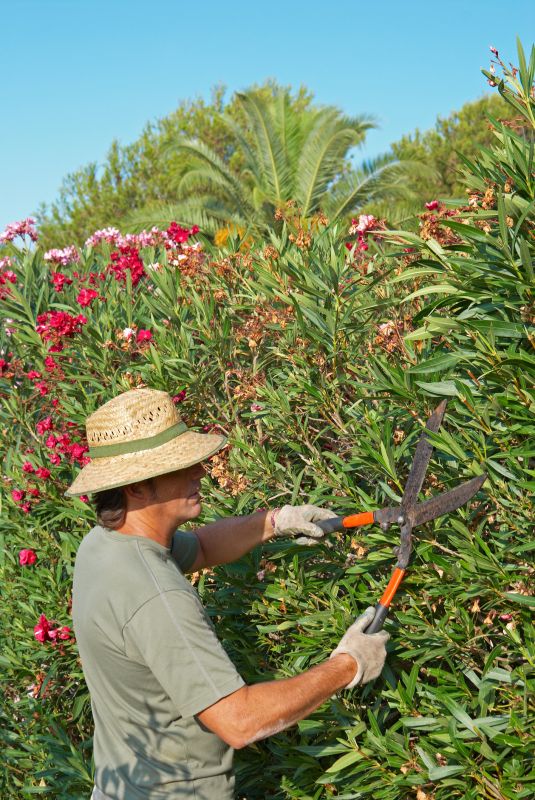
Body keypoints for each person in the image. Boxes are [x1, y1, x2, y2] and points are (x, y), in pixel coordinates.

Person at [68, 388, 389, 800]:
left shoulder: (102, 546)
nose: (200, 472)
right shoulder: (156, 596)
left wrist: (274, 521)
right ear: (137, 488)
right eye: (181, 466)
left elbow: (200, 548)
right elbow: (240, 721)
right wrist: (348, 665)